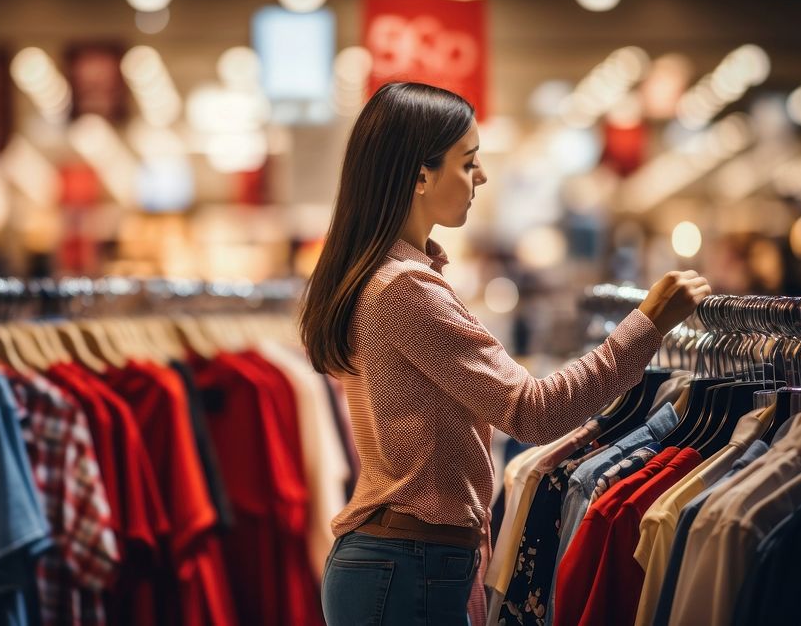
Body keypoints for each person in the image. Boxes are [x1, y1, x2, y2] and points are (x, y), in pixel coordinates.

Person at [299, 82, 711, 626]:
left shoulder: (393, 278)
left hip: (406, 564)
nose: (482, 176)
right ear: (419, 175)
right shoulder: (403, 289)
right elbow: (534, 411)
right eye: (468, 162)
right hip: (407, 567)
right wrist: (647, 325)